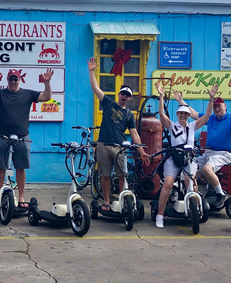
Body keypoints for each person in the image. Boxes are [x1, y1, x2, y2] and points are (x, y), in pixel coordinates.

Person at [0, 66, 53, 208]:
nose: (13, 81)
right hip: (2, 136)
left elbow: (46, 97)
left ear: (19, 80)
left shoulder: (27, 94)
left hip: (22, 137)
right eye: (11, 79)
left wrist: (46, 83)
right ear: (7, 80)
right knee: (1, 167)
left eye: (15, 79)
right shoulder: (2, 93)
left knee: (20, 168)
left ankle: (21, 198)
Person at [87, 57, 149, 211]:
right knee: (105, 176)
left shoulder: (129, 114)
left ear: (129, 98)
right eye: (122, 93)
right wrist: (91, 72)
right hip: (103, 145)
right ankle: (106, 201)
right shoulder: (109, 103)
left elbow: (134, 134)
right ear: (119, 95)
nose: (124, 96)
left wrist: (141, 151)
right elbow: (95, 88)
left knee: (122, 176)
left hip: (120, 147)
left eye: (127, 95)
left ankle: (122, 201)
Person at [154, 81, 216, 228]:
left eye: (185, 114)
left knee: (191, 183)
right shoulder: (172, 125)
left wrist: (211, 99)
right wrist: (161, 96)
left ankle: (193, 209)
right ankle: (160, 215)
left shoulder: (192, 126)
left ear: (188, 115)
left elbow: (207, 115)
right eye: (181, 113)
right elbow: (162, 114)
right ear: (177, 114)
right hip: (174, 158)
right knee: (168, 184)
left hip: (189, 158)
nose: (183, 115)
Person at [196, 88, 231, 208]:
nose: (217, 109)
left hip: (224, 153)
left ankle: (220, 193)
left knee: (207, 169)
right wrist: (182, 102)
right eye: (215, 107)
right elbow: (194, 114)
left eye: (219, 106)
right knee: (191, 171)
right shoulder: (211, 118)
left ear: (225, 106)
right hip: (209, 152)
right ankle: (193, 196)